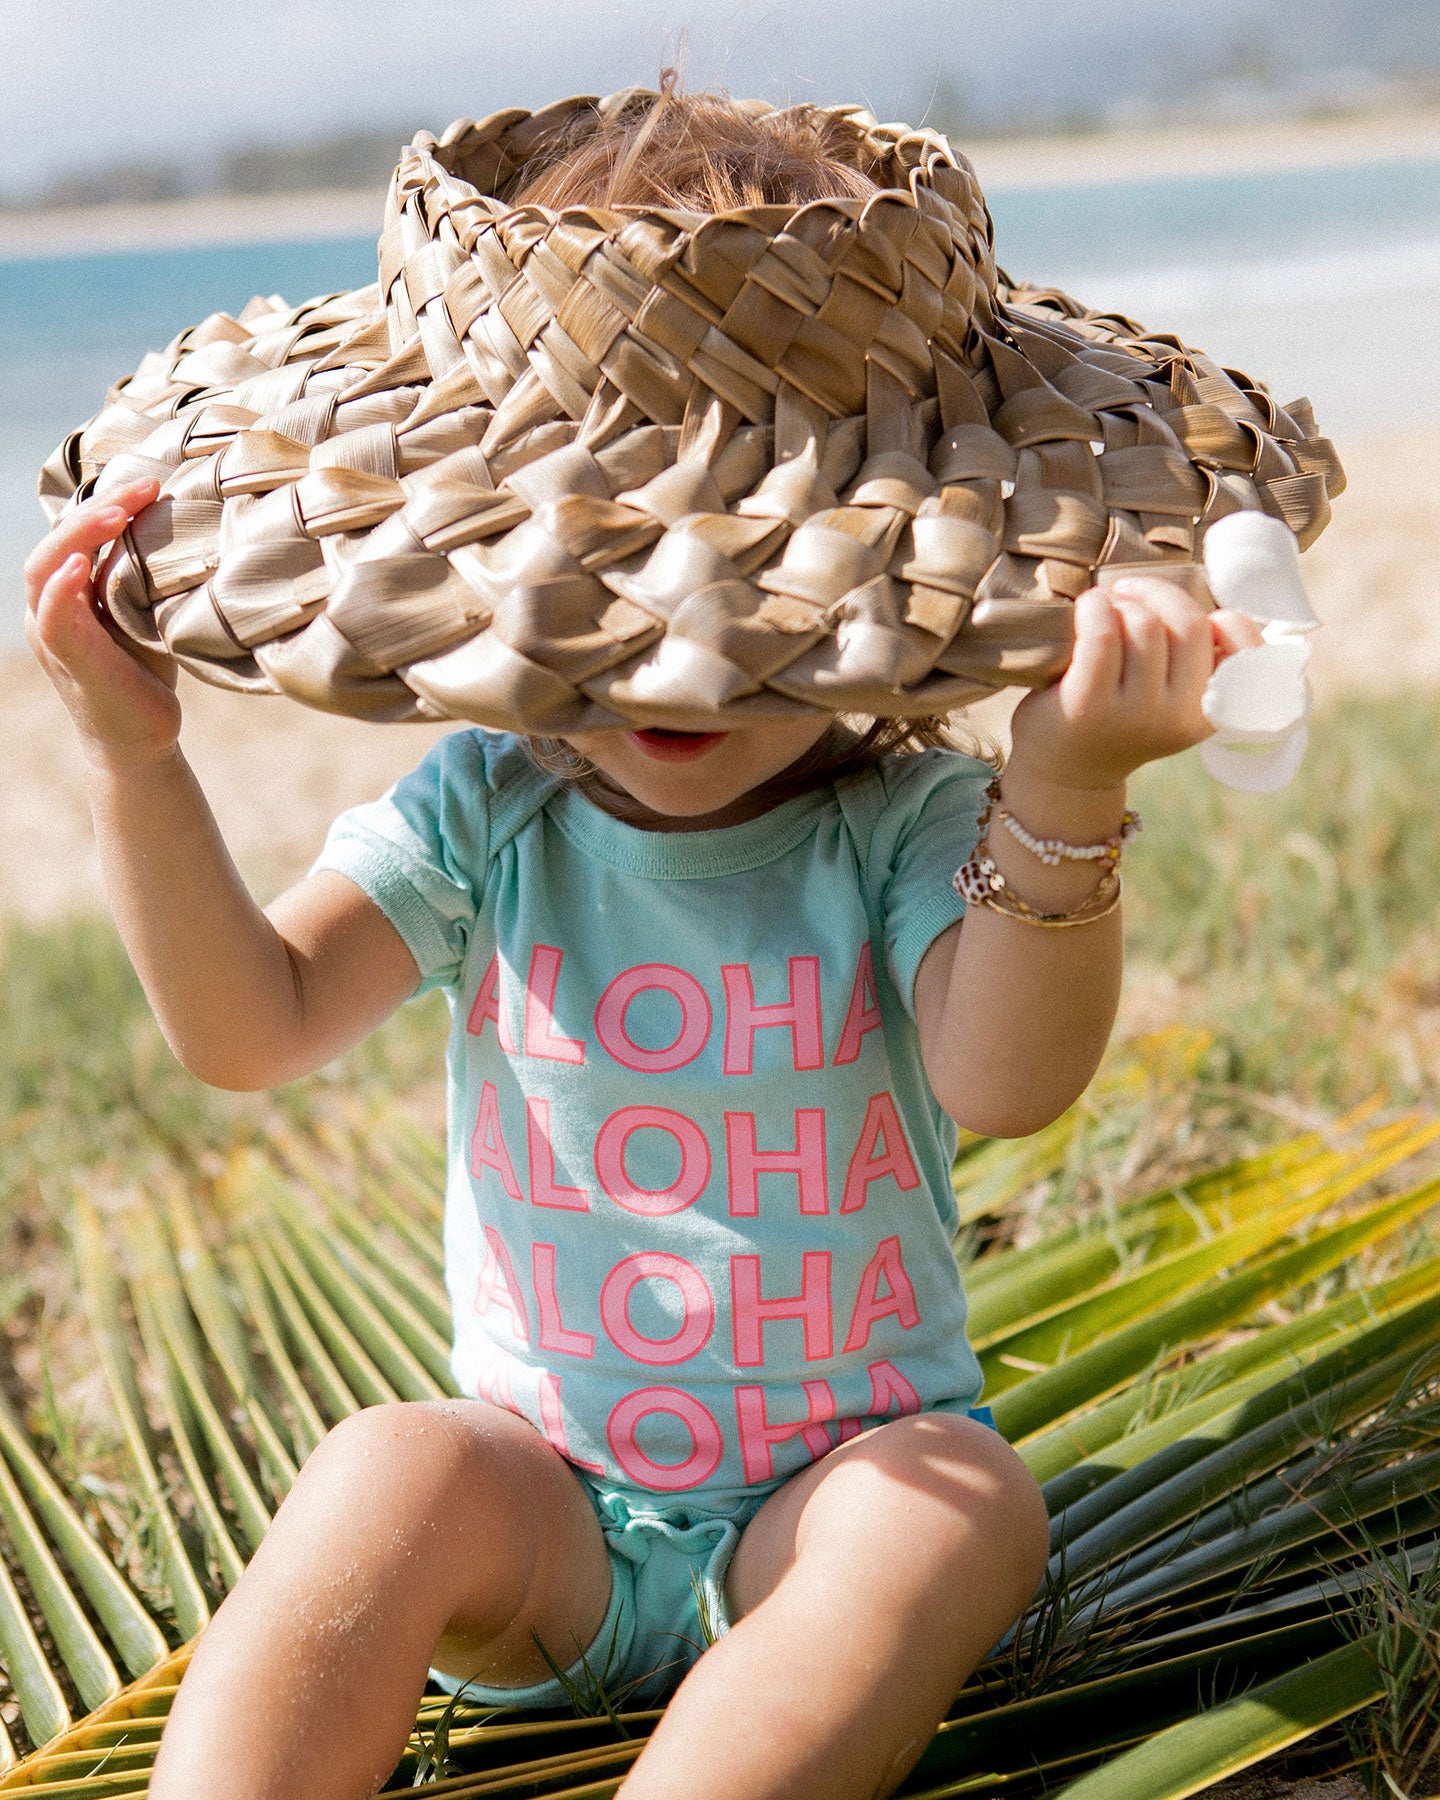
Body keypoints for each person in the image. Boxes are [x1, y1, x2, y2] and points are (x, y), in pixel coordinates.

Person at [25, 91, 1264, 1800]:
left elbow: (1008, 1080)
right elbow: (253, 1026)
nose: (673, 668)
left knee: (967, 1504)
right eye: (610, 600)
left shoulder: (906, 826)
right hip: (542, 1515)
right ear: (498, 582)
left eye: (749, 603)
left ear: (876, 590)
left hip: (834, 1498)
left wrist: (1064, 788)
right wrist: (133, 759)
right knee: (388, 1467)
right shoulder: (485, 814)